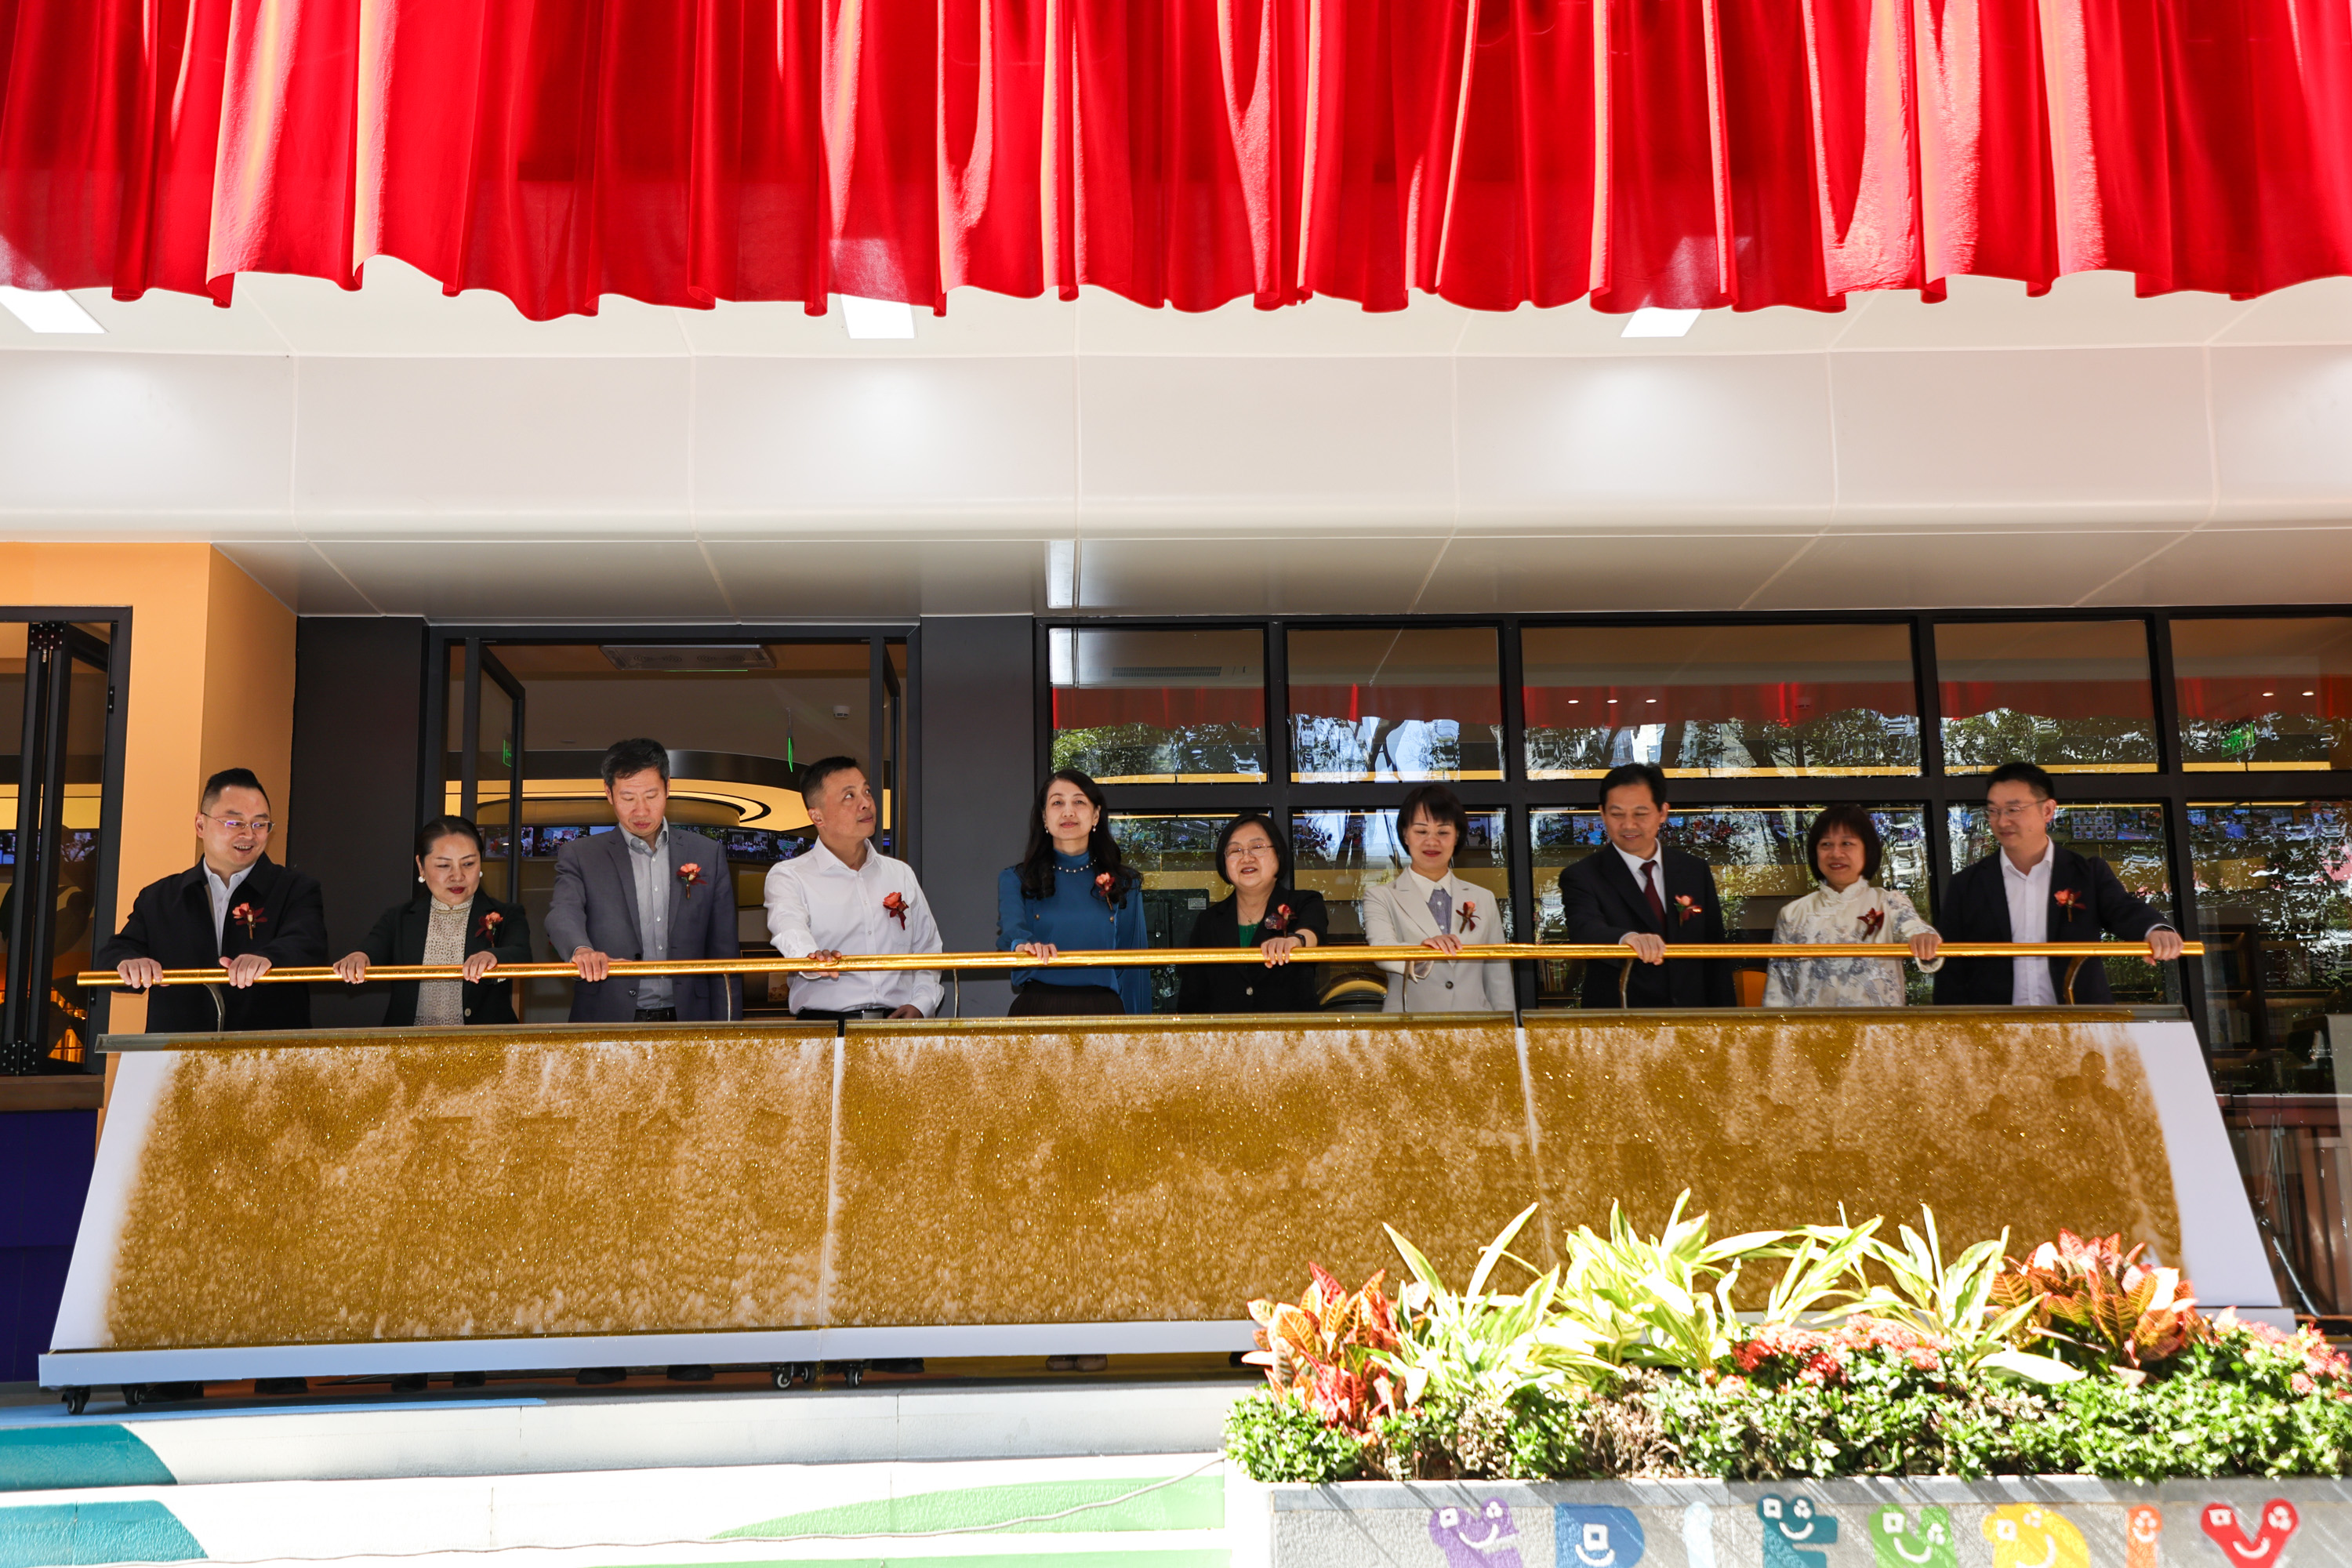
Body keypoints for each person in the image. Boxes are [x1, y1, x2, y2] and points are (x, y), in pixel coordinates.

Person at [1933, 761, 2183, 1006]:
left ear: (2048, 810)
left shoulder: (2087, 874)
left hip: (2079, 1021)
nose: (2002, 821)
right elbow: (1950, 969)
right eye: (1993, 811)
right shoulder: (1966, 885)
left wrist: (2155, 931)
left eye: (2013, 810)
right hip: (1996, 1026)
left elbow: (2124, 909)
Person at [97, 768, 327, 1033]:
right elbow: (116, 953)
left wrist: (268, 959)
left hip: (268, 1049)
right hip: (177, 1050)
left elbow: (308, 943)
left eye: (259, 824)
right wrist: (129, 963)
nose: (249, 835)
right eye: (234, 823)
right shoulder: (161, 897)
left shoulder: (295, 889)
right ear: (200, 825)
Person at [545, 737, 742, 1027]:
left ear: (668, 788)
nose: (641, 811)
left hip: (691, 1020)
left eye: (651, 796)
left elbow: (725, 954)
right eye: (628, 798)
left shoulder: (706, 853)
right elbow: (563, 913)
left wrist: (730, 1030)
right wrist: (581, 950)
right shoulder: (581, 854)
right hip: (607, 1019)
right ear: (609, 793)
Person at [763, 755, 943, 1021]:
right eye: (849, 796)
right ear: (817, 816)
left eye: (866, 791)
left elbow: (928, 950)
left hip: (897, 1026)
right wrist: (811, 958)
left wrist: (922, 1004)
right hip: (824, 1028)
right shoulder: (790, 876)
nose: (866, 803)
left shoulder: (900, 873)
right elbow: (788, 928)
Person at [1555, 762, 1733, 1008]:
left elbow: (1715, 950)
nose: (1629, 825)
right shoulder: (1582, 875)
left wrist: (1726, 1020)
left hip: (1692, 1017)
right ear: (1602, 813)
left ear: (1662, 812)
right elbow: (1584, 928)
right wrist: (1627, 939)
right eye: (1617, 814)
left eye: (1640, 814)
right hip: (1621, 1017)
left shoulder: (1693, 870)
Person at [331, 817, 534, 1025]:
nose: (457, 876)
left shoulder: (507, 914)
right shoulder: (399, 918)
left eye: (468, 864)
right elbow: (372, 950)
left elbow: (521, 955)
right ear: (421, 866)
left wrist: (492, 956)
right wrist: (359, 957)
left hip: (483, 1040)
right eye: (444, 865)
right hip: (409, 1040)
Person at [997, 768, 1151, 1015]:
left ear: (1096, 815)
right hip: (1037, 1011)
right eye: (1057, 803)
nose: (1068, 812)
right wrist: (1024, 945)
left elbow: (1134, 969)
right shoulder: (1016, 879)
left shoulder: (1124, 882)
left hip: (1104, 1012)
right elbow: (1013, 930)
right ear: (1045, 817)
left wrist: (1139, 1031)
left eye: (1079, 802)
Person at [1762, 806, 1941, 1007]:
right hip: (1812, 1026)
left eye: (1847, 843)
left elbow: (1916, 929)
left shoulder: (1889, 903)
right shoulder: (1793, 914)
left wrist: (1925, 938)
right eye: (1826, 844)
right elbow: (1778, 990)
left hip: (1880, 1026)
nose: (1836, 853)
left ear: (1867, 850)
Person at [1359, 784, 1514, 1013]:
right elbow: (1382, 951)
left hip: (1477, 1026)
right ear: (1405, 834)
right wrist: (1423, 951)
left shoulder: (1483, 898)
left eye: (1443, 832)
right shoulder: (1381, 896)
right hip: (1409, 1025)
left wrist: (1506, 1027)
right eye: (1421, 832)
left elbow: (1498, 977)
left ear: (1457, 836)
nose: (1432, 842)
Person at [1177, 813, 1330, 1014]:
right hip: (1226, 1033)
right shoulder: (1208, 921)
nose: (1247, 858)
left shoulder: (1305, 902)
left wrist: (1294, 941)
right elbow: (1191, 997)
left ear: (1278, 854)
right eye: (1235, 850)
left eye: (1257, 847)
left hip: (1290, 1031)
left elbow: (1312, 932)